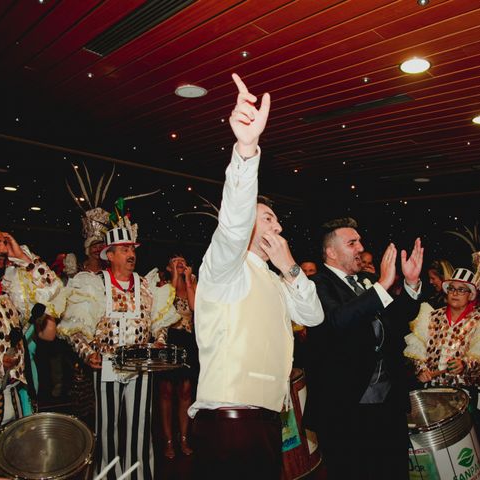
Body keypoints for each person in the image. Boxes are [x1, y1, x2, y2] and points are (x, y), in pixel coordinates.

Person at [190, 73, 324, 480]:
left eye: (279, 221)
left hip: (266, 418)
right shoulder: (226, 268)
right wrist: (246, 150)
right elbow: (232, 222)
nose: (278, 228)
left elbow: (314, 315)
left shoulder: (272, 276)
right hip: (230, 420)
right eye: (268, 218)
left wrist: (288, 268)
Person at [56, 208, 179, 480]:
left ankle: (139, 476)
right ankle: (107, 476)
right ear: (109, 255)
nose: (131, 254)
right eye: (123, 249)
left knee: (140, 427)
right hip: (108, 365)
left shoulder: (147, 285)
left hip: (140, 364)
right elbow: (76, 328)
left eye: (132, 248)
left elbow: (160, 323)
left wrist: (158, 341)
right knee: (107, 428)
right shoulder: (93, 285)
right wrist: (87, 353)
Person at [304, 217, 423, 480]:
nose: (360, 248)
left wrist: (411, 284)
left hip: (388, 404)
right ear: (331, 252)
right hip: (346, 408)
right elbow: (338, 321)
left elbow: (400, 320)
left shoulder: (367, 282)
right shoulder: (317, 285)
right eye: (352, 243)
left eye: (359, 241)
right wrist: (382, 285)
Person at [0, 223, 60, 470]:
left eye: (4, 242)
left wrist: (22, 258)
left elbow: (51, 290)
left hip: (14, 399)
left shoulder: (9, 293)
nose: (2, 249)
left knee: (15, 466)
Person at [404, 267, 480, 389]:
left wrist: (465, 365)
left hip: (466, 391)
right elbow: (418, 350)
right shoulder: (432, 316)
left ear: (471, 295)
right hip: (431, 390)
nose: (455, 293)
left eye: (461, 290)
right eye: (451, 289)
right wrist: (422, 370)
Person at [156, 254, 198, 459]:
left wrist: (188, 281)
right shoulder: (162, 285)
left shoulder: (193, 282)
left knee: (185, 391)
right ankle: (168, 441)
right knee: (165, 391)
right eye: (175, 260)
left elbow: (194, 307)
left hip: (188, 342)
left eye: (183, 260)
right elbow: (166, 307)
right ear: (168, 266)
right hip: (168, 339)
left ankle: (184, 438)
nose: (180, 262)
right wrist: (173, 277)